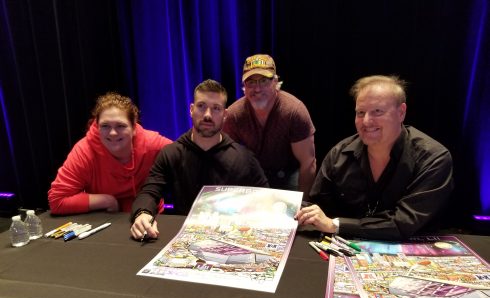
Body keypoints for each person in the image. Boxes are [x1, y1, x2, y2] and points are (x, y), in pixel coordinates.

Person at [295, 75, 454, 240]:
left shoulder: (433, 158)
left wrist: (335, 225)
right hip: (344, 246)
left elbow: (403, 223)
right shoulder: (339, 154)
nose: (366, 121)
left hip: (413, 252)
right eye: (360, 112)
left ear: (401, 113)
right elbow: (318, 208)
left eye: (377, 111)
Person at [130, 79, 269, 240]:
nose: (208, 115)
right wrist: (143, 214)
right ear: (191, 109)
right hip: (183, 238)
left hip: (232, 238)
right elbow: (149, 192)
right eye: (201, 106)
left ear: (225, 115)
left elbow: (266, 200)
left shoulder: (244, 158)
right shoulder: (171, 153)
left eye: (216, 108)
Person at [48, 92, 172, 214]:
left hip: (151, 216)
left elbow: (183, 155)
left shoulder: (151, 144)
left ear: (134, 127)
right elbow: (57, 200)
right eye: (105, 126)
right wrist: (107, 200)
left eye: (120, 126)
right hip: (107, 218)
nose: (112, 133)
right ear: (97, 126)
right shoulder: (84, 152)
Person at [223, 54, 316, 195]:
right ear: (244, 86)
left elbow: (308, 163)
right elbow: (226, 158)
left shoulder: (294, 111)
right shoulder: (234, 114)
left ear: (275, 82)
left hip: (288, 175)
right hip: (253, 175)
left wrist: (303, 203)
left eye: (263, 81)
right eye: (251, 82)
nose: (257, 89)